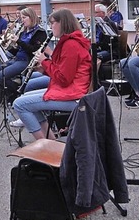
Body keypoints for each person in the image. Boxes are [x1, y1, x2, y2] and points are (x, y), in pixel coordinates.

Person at [11, 9, 92, 141]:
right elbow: (62, 71)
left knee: (19, 104)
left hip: (73, 95)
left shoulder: (71, 44)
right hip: (70, 90)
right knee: (26, 98)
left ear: (63, 23)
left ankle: (43, 145)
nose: (50, 26)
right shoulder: (69, 42)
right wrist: (44, 69)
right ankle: (50, 141)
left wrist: (44, 61)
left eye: (52, 23)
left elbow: (64, 79)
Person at [0, 7, 48, 103]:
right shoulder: (24, 31)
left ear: (31, 17)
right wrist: (4, 49)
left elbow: (34, 50)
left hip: (27, 60)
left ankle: (16, 93)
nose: (22, 20)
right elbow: (18, 48)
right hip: (17, 59)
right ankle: (8, 92)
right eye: (21, 18)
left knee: (0, 76)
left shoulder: (40, 32)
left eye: (24, 17)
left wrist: (18, 41)